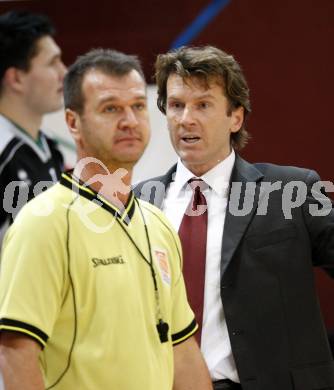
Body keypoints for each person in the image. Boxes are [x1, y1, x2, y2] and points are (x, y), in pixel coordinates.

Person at [0, 48, 212, 390]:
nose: (129, 120)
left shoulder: (158, 225)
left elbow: (182, 350)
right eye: (111, 108)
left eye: (138, 107)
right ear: (73, 122)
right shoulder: (43, 223)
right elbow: (15, 353)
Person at [134, 45, 334, 390]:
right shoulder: (138, 201)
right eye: (177, 105)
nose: (186, 119)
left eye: (203, 105)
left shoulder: (292, 189)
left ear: (235, 117)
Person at [0, 10, 66, 244]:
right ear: (16, 78)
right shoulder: (4, 154)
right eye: (52, 63)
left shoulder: (50, 147)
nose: (64, 72)